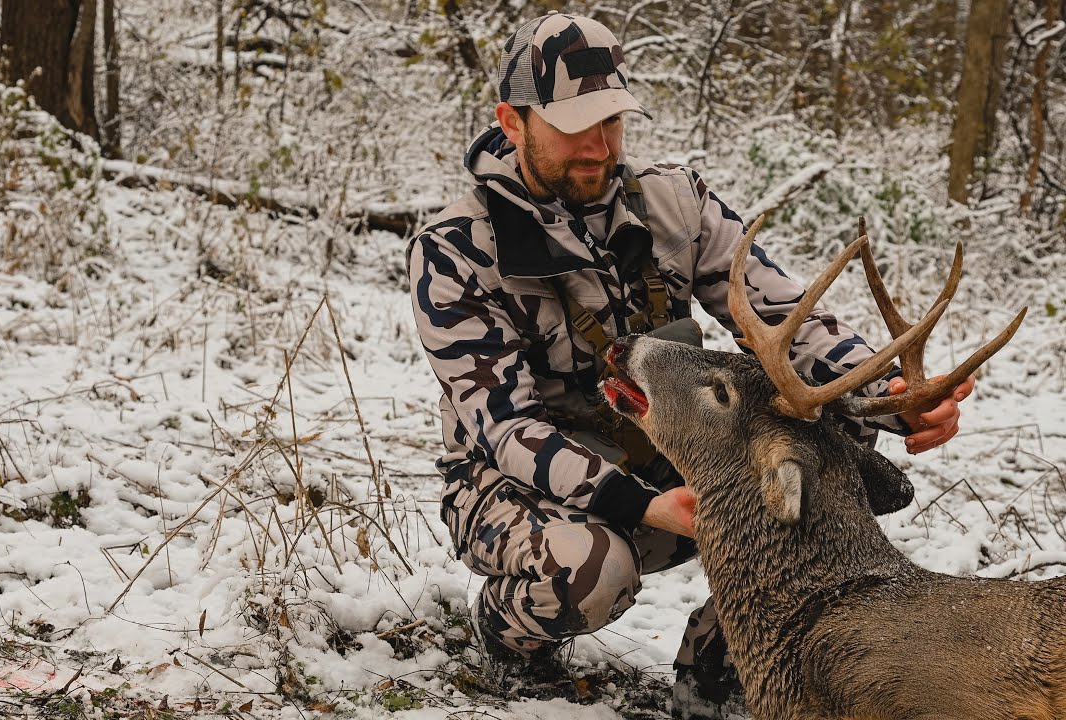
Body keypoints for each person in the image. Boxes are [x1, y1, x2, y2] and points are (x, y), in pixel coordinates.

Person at [406, 12, 974, 718]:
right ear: (512, 121)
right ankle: (511, 637)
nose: (598, 146)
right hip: (518, 485)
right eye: (574, 126)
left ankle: (723, 660)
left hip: (666, 449)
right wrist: (643, 508)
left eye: (612, 122)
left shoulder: (674, 200)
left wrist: (887, 392)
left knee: (822, 440)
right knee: (592, 574)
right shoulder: (458, 250)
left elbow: (783, 316)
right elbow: (506, 428)